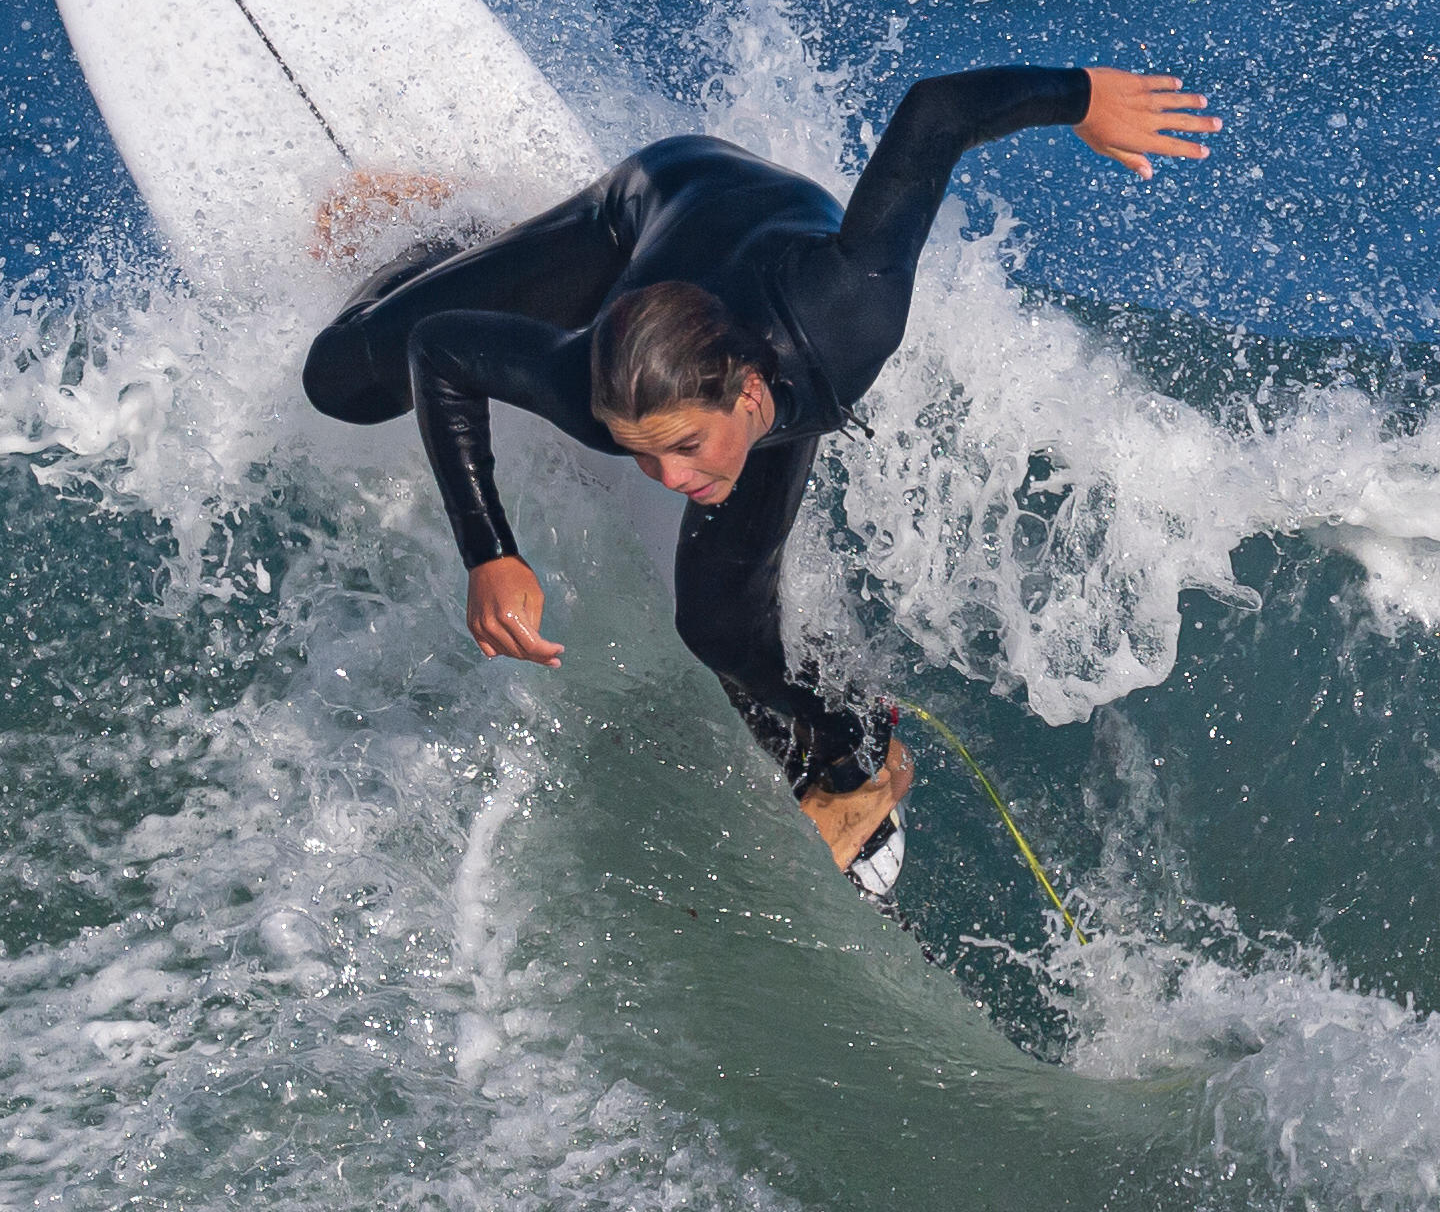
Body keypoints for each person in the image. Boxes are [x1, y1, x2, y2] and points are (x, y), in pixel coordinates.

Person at [299, 65, 1217, 875]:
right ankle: (457, 237)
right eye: (640, 451)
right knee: (342, 378)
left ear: (746, 397)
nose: (663, 478)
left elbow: (936, 113)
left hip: (707, 199)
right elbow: (438, 348)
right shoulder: (588, 389)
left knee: (715, 621)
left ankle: (841, 758)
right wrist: (489, 551)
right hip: (633, 228)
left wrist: (1084, 99)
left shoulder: (850, 301)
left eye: (684, 449)